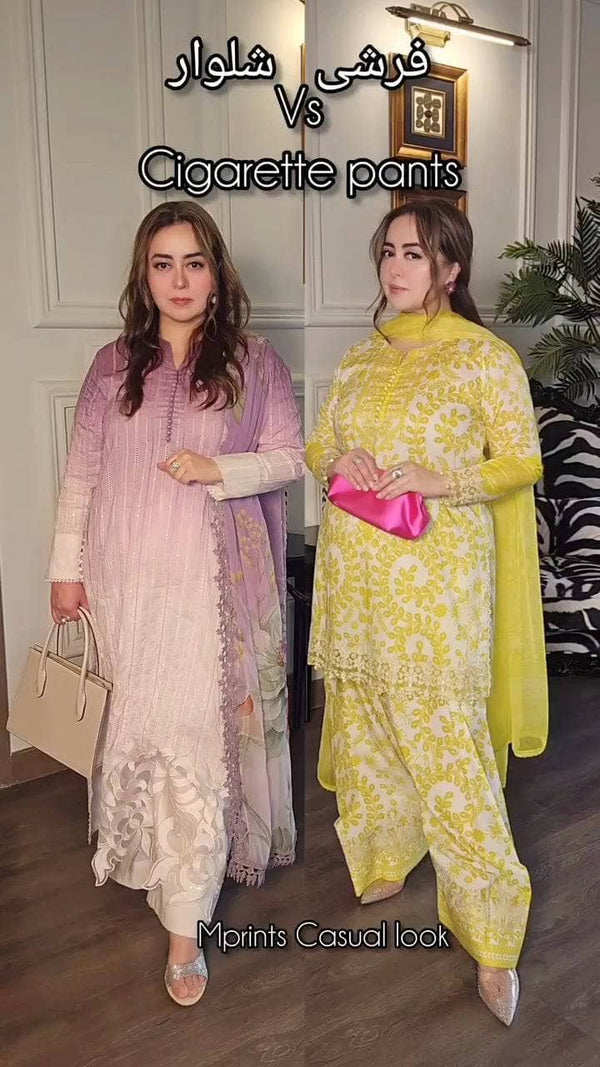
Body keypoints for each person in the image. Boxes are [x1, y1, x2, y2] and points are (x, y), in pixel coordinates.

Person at [46, 200, 304, 1006]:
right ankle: (153, 864)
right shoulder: (111, 365)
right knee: (144, 728)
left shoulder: (254, 363)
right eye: (164, 264)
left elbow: (291, 456)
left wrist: (218, 469)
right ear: (144, 275)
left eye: (194, 262)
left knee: (197, 740)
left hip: (210, 589)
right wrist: (65, 570)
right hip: (126, 582)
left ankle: (186, 925)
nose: (180, 279)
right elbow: (82, 474)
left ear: (216, 272)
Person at [305, 199, 548, 1026]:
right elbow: (319, 445)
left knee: (449, 746)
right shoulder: (359, 358)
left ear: (451, 268)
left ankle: (494, 930)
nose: (396, 266)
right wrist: (341, 457)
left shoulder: (484, 358)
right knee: (366, 720)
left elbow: (522, 461)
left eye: (415, 253)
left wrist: (439, 480)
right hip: (356, 575)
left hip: (437, 584)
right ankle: (385, 851)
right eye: (389, 251)